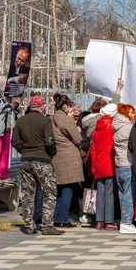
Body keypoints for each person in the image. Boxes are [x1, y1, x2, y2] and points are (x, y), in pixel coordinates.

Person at [12, 96, 62, 235]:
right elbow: (49, 141)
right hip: (42, 161)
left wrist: (25, 151)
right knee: (49, 192)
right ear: (42, 107)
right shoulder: (45, 121)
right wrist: (52, 153)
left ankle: (29, 226)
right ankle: (47, 226)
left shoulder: (21, 121)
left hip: (26, 161)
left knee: (28, 194)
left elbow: (14, 141)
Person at [50, 93, 84, 228]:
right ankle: (62, 218)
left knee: (59, 189)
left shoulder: (51, 119)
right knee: (68, 189)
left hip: (57, 156)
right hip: (70, 157)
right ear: (65, 105)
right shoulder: (67, 120)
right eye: (69, 105)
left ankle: (56, 216)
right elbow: (78, 140)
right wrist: (78, 130)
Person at [88, 103, 118, 230]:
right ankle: (109, 221)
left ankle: (99, 220)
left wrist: (93, 166)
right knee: (110, 193)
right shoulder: (113, 125)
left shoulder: (97, 127)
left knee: (100, 193)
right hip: (110, 162)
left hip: (99, 164)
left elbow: (92, 149)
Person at [113, 103, 136, 234]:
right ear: (126, 113)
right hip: (128, 163)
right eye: (132, 112)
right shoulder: (129, 127)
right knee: (129, 194)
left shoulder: (117, 126)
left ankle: (124, 220)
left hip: (119, 164)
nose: (134, 114)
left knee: (122, 193)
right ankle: (126, 222)